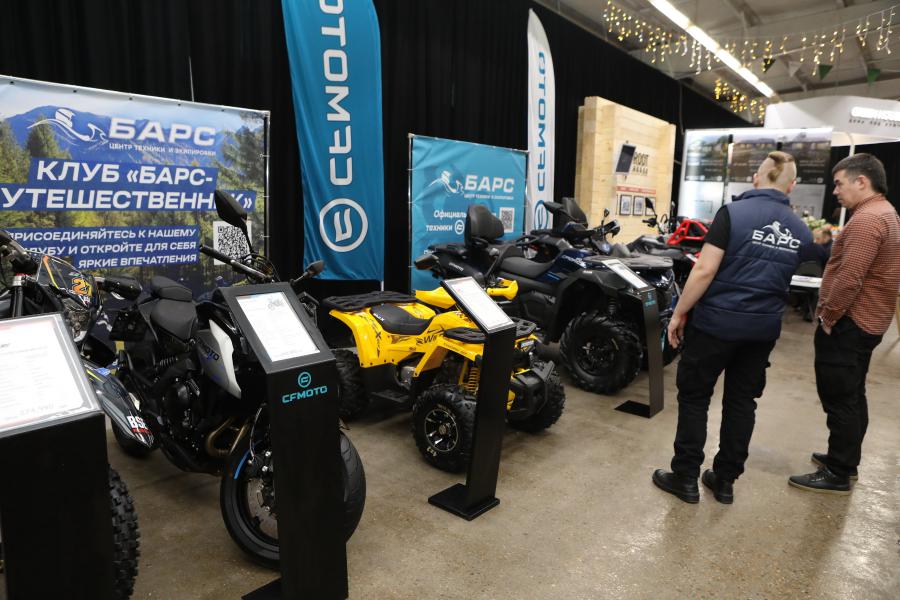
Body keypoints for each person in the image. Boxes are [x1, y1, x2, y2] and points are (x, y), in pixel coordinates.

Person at [652, 151, 812, 504]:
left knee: (695, 397)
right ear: (792, 186)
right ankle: (724, 481)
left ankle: (685, 477)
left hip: (715, 325)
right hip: (761, 331)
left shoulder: (733, 213)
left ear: (756, 178)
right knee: (742, 402)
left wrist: (678, 313)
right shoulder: (800, 230)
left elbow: (704, 270)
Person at [789, 153, 900, 494]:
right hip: (869, 320)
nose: (835, 191)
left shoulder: (867, 220)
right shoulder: (886, 213)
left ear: (862, 181)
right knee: (852, 393)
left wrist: (828, 316)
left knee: (840, 396)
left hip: (851, 323)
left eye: (839, 184)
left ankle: (838, 470)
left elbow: (850, 278)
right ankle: (845, 459)